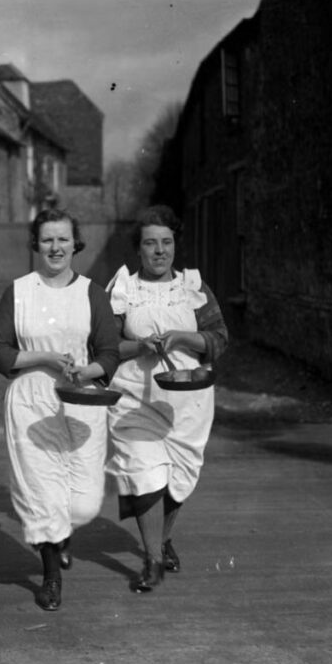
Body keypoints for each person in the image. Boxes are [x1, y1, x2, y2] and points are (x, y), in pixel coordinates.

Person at [0, 208, 120, 611]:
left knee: (83, 502)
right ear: (36, 245)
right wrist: (42, 357)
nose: (55, 247)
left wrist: (87, 369)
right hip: (31, 398)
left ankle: (62, 535)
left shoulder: (92, 293)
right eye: (47, 240)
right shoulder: (20, 290)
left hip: (83, 398)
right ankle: (51, 576)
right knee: (42, 490)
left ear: (75, 244)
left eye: (63, 239)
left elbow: (110, 352)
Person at [105, 205, 229, 592]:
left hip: (188, 399)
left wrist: (182, 338)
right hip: (133, 396)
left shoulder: (192, 287)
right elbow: (105, 345)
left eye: (167, 242)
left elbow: (219, 338)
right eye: (150, 243)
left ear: (175, 245)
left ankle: (162, 538)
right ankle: (152, 561)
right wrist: (138, 346)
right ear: (138, 249)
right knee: (144, 473)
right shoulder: (123, 288)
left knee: (178, 477)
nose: (159, 251)